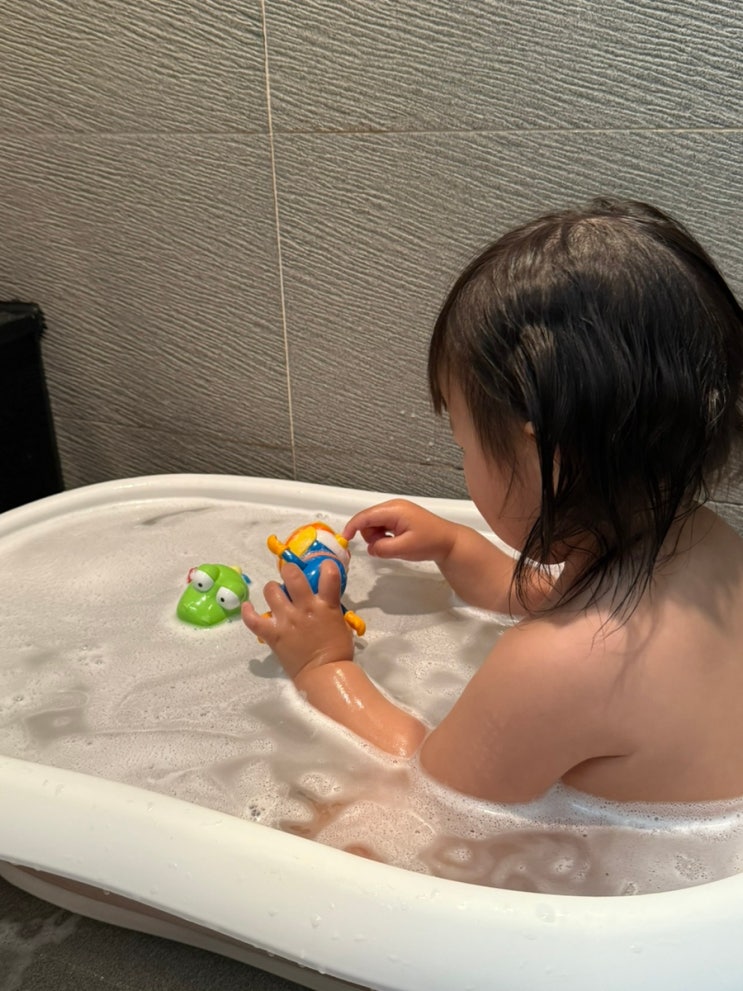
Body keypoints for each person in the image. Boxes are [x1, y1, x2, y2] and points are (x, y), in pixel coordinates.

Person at [243, 198, 743, 806]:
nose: (463, 464)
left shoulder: (550, 667)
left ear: (549, 453)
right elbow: (554, 599)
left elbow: (428, 788)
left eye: (463, 444)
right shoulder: (705, 541)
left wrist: (323, 666)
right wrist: (456, 548)